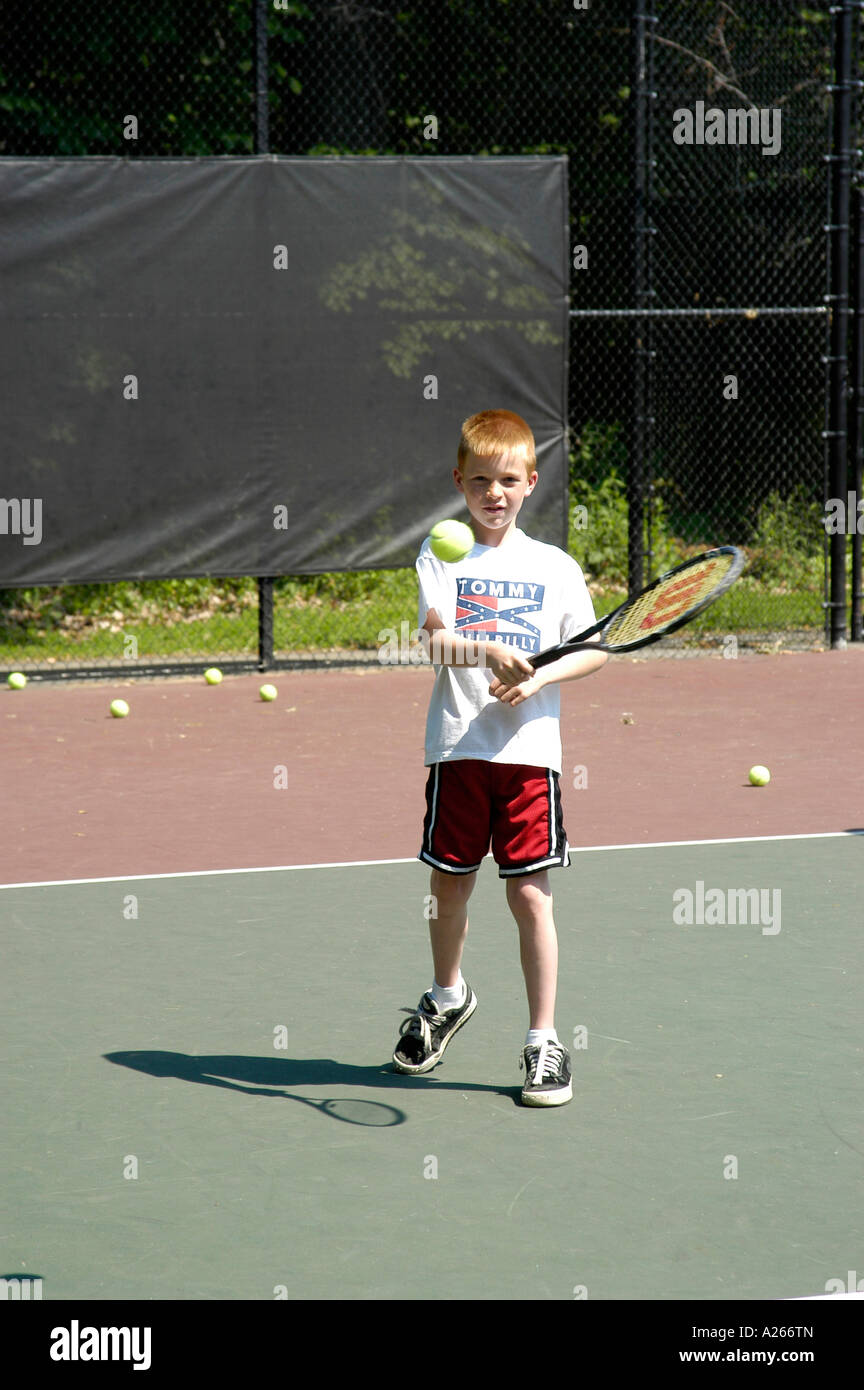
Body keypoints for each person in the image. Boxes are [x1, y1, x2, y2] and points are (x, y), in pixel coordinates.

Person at [391, 409, 607, 1106]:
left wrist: (540, 677)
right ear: (459, 481)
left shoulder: (554, 566)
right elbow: (431, 641)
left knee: (529, 895)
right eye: (480, 479)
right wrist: (485, 649)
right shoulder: (442, 553)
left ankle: (544, 1042)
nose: (494, 493)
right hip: (457, 746)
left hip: (529, 757)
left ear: (530, 482)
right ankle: (447, 996)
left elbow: (594, 649)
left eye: (508, 480)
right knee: (448, 886)